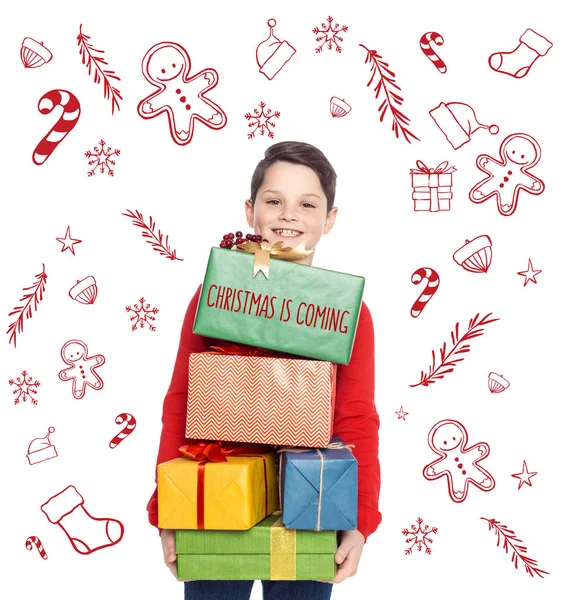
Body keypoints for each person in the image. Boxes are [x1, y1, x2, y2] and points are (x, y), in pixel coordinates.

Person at [147, 141, 381, 600]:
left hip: (312, 502)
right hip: (216, 493)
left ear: (329, 219)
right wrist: (169, 508)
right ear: (251, 211)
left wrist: (361, 519)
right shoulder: (214, 295)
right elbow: (182, 401)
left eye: (307, 204)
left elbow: (356, 418)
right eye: (274, 201)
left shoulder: (349, 313)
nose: (288, 215)